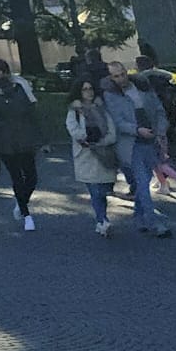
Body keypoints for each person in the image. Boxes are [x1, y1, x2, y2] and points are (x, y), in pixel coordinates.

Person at [101, 61, 172, 238]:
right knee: (142, 181)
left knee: (145, 179)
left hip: (151, 139)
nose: (121, 78)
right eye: (116, 76)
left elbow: (158, 110)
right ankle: (153, 222)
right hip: (131, 144)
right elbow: (117, 122)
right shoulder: (111, 95)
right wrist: (136, 130)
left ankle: (139, 216)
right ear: (111, 78)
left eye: (122, 74)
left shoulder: (142, 87)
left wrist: (161, 131)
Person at [0, 59, 42, 230]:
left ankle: (21, 201)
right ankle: (26, 213)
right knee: (16, 177)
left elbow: (31, 111)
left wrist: (41, 138)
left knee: (31, 177)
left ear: (5, 72)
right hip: (4, 140)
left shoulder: (19, 87)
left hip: (24, 137)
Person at [66, 79, 121, 235]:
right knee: (95, 191)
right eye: (85, 89)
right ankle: (102, 220)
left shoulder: (102, 108)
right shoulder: (74, 111)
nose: (88, 92)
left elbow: (112, 131)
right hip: (86, 155)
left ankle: (102, 218)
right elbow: (73, 129)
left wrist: (102, 141)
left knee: (104, 190)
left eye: (90, 88)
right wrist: (86, 138)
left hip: (104, 153)